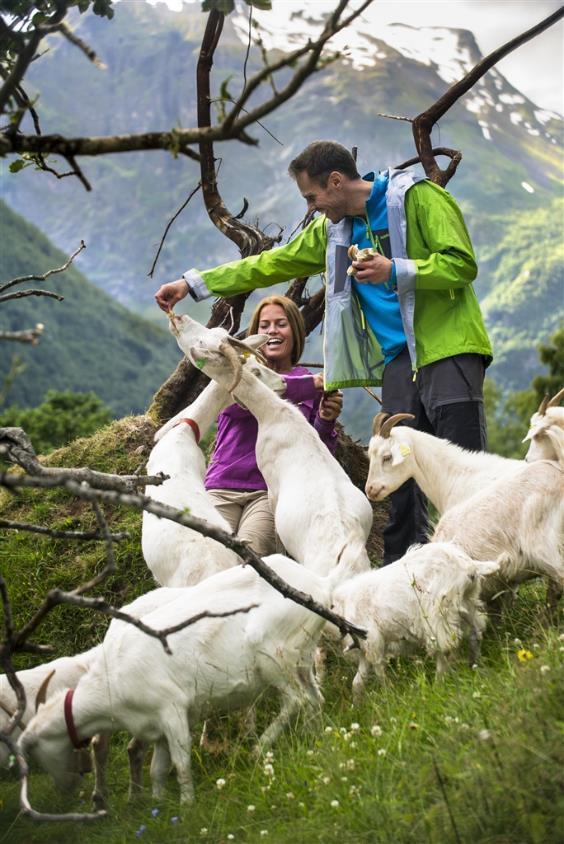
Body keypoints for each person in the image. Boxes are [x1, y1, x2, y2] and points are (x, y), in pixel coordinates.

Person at [156, 140, 492, 564]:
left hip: (450, 351)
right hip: (398, 362)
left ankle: (484, 574)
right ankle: (405, 583)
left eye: (312, 197)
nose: (312, 207)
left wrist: (396, 270)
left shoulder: (418, 198)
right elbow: (270, 263)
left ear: (335, 182)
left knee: (465, 470)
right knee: (399, 473)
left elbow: (462, 264)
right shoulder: (333, 232)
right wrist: (194, 284)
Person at [204, 294, 342, 557]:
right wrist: (308, 388)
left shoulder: (308, 381)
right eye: (264, 326)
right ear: (254, 334)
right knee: (207, 556)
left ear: (296, 332)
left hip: (269, 491)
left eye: (281, 324)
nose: (272, 331)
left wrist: (325, 419)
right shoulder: (238, 370)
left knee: (251, 560)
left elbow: (316, 453)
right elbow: (241, 403)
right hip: (221, 485)